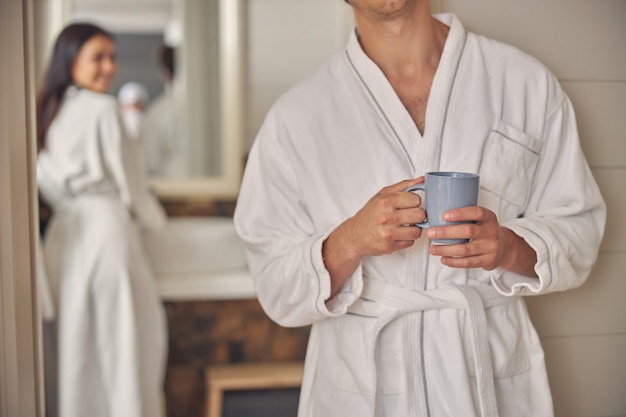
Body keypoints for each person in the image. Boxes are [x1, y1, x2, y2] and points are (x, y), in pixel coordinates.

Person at [233, 1, 607, 417]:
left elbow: (579, 227)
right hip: (361, 385)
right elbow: (274, 284)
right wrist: (351, 240)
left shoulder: (524, 84)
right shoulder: (296, 118)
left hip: (487, 367)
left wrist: (508, 246)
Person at [36, 23, 168, 417]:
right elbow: (132, 186)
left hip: (61, 240)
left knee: (78, 351)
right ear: (69, 60)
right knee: (124, 347)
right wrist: (152, 219)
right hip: (107, 236)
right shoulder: (104, 109)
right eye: (98, 57)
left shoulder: (48, 114)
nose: (109, 67)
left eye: (113, 57)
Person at [141, 43, 187, 178]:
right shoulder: (215, 108)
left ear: (164, 72)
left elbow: (150, 160)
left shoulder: (158, 112)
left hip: (171, 188)